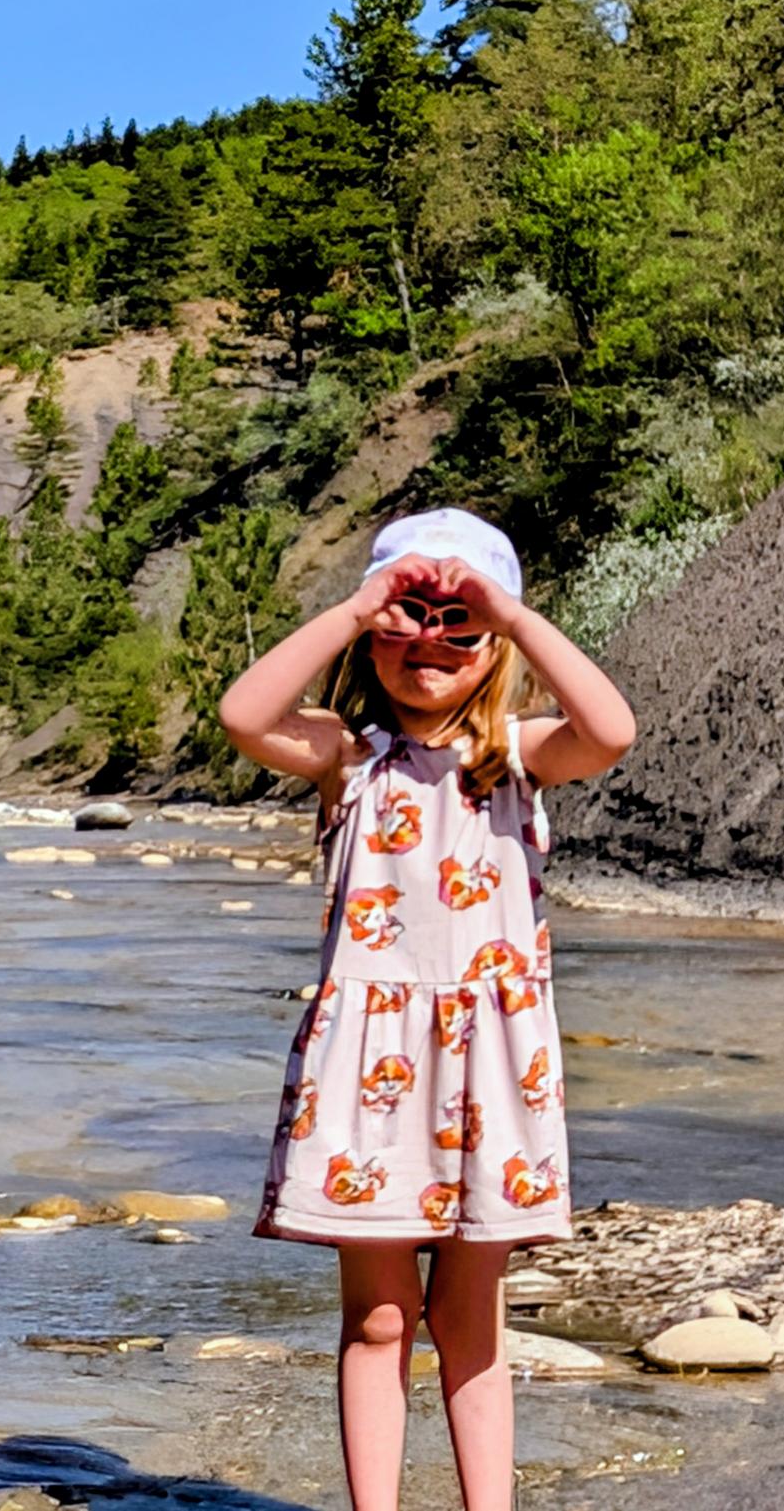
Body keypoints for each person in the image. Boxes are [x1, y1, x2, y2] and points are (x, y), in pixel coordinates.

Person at [217, 509, 635, 1511]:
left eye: (460, 622)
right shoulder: (346, 756)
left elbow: (612, 729)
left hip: (493, 1062)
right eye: (410, 617)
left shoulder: (522, 754)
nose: (431, 641)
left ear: (495, 642)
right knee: (376, 1318)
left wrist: (515, 616)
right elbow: (243, 711)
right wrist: (359, 604)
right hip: (369, 1067)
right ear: (374, 633)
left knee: (470, 1315)